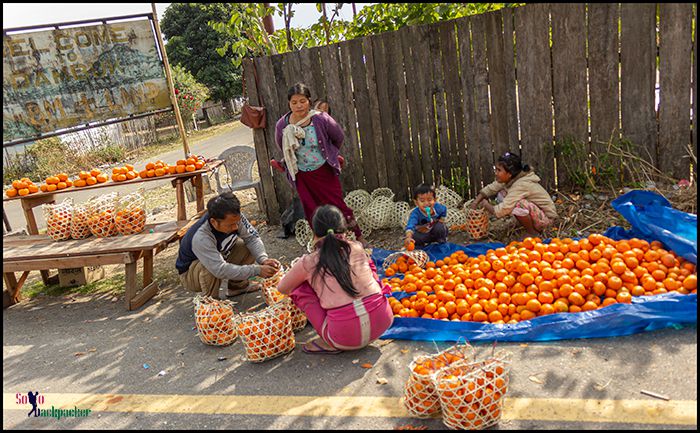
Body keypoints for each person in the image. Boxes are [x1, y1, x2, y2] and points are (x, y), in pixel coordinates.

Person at [277, 205, 393, 354]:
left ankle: (329, 343)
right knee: (369, 265)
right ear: (344, 229)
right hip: (383, 322)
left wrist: (310, 280)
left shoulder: (308, 262)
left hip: (343, 338)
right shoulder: (357, 247)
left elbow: (283, 288)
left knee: (299, 287)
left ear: (314, 232)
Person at [270, 83, 363, 244]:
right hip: (301, 175)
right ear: (289, 104)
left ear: (309, 101)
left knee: (338, 204)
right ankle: (323, 243)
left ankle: (357, 235)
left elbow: (338, 137)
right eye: (294, 102)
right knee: (311, 208)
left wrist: (331, 154)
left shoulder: (320, 119)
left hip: (324, 171)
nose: (299, 105)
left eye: (302, 101)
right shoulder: (283, 125)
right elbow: (282, 146)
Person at [176, 191, 279, 298]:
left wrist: (263, 259)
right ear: (214, 222)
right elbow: (219, 269)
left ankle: (237, 287)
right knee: (207, 266)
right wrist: (257, 270)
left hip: (220, 258)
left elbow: (252, 238)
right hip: (191, 274)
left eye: (236, 222)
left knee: (246, 247)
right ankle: (213, 300)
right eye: (230, 225)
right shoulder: (201, 236)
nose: (235, 227)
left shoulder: (234, 217)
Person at [470, 151, 557, 236]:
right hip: (538, 213)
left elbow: (501, 211)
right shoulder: (512, 178)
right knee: (503, 193)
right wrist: (475, 202)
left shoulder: (521, 185)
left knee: (518, 205)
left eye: (499, 170)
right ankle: (528, 226)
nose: (496, 173)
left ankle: (532, 233)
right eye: (495, 169)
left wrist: (486, 205)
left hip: (546, 220)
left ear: (509, 174)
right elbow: (491, 188)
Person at [404, 183, 449, 249]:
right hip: (423, 235)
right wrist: (408, 237)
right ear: (416, 202)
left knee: (440, 227)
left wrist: (442, 219)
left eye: (429, 200)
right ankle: (420, 247)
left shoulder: (438, 208)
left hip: (434, 231)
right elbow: (410, 225)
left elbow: (444, 210)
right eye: (422, 201)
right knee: (415, 236)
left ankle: (441, 242)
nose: (426, 203)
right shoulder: (415, 213)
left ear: (435, 200)